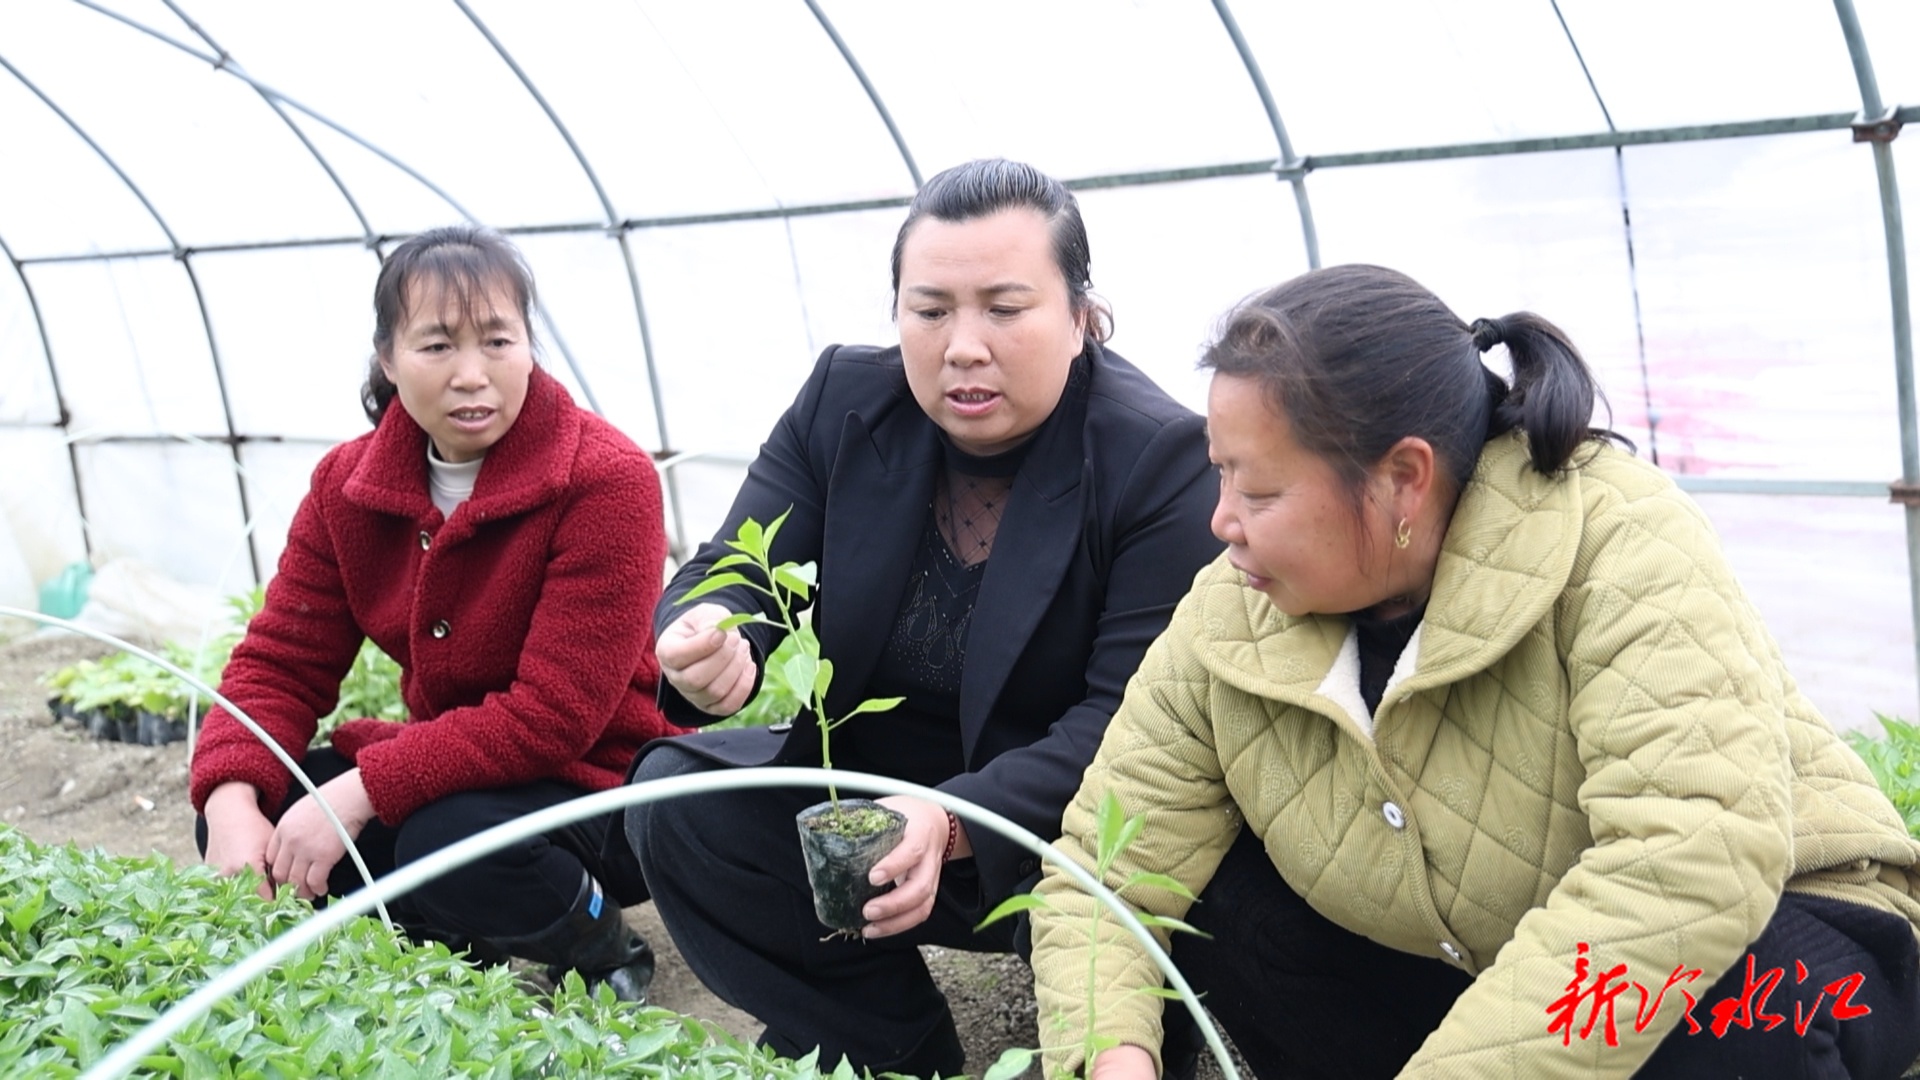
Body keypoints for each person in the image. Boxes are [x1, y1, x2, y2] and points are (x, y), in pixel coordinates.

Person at [1029, 264, 1920, 1080]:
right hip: (1487, 957)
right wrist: (1111, 1057)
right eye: (1220, 476)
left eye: (1259, 491)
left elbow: (1687, 862)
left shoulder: (1616, 534)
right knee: (1225, 901)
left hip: (1765, 925)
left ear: (1404, 478)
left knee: (1735, 1023)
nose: (1223, 520)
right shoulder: (1234, 609)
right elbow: (1103, 866)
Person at [624, 158, 1222, 1077]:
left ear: (1078, 313)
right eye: (931, 309)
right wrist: (710, 628)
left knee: (1183, 911)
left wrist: (950, 820)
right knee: (681, 807)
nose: (963, 345)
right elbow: (737, 562)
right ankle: (892, 1050)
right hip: (873, 797)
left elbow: (1126, 723)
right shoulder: (846, 404)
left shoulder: (1155, 459)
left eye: (1005, 307)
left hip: (1051, 819)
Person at [190, 225, 683, 1002]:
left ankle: (602, 947)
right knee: (272, 804)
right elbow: (280, 662)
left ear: (529, 345)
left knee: (447, 841)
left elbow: (556, 717)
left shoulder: (605, 480)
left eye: (497, 340)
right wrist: (227, 801)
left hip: (604, 786)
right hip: (454, 772)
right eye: (437, 347)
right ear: (387, 358)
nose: (472, 375)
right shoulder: (346, 486)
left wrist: (359, 792)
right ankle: (456, 937)